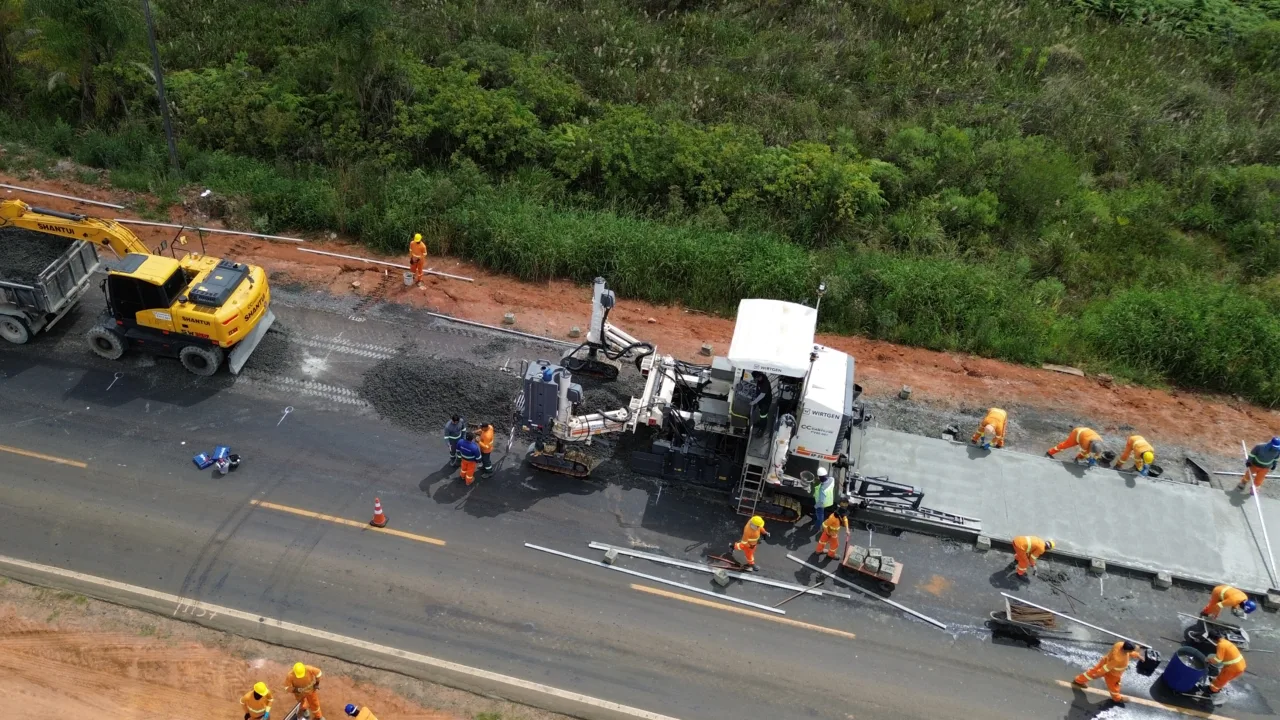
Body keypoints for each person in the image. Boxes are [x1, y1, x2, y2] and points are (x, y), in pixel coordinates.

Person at [1072, 641, 1145, 704]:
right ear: (1127, 650)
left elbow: (1129, 653)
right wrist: (1098, 674)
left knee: (1091, 673)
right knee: (1114, 686)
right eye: (1132, 650)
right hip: (1113, 673)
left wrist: (1138, 656)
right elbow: (1107, 668)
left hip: (1105, 661)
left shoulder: (1119, 644)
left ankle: (1078, 681)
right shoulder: (1118, 659)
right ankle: (1117, 699)